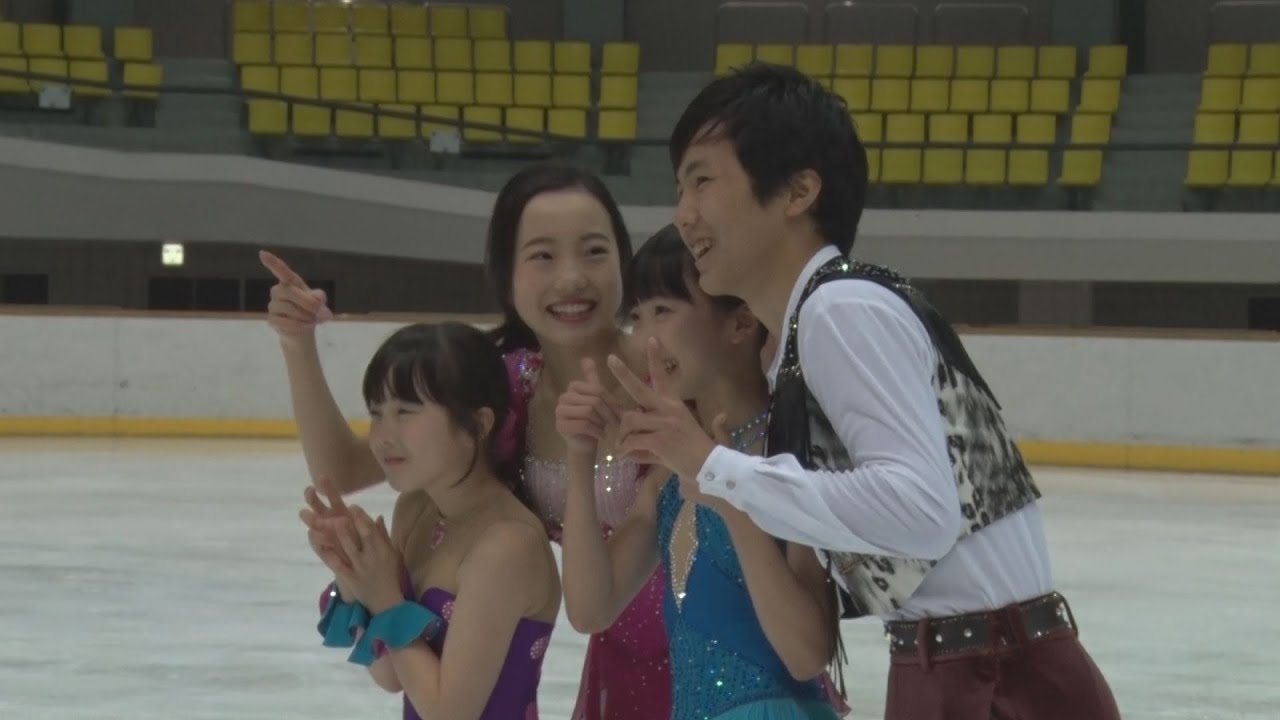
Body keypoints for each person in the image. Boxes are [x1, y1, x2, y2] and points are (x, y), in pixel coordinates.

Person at [606, 62, 1122, 720]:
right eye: (680, 188)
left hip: (993, 678)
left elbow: (921, 512)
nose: (683, 216)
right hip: (974, 663)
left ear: (797, 191)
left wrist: (715, 468)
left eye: (703, 181)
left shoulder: (840, 309)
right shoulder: (817, 326)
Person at [261, 161, 671, 720]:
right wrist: (297, 346)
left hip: (716, 648)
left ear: (623, 261)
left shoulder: (670, 373)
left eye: (595, 251)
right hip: (619, 660)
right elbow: (347, 468)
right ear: (506, 275)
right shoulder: (508, 389)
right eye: (543, 256)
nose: (572, 277)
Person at [558, 226, 846, 720]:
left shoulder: (790, 453)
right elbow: (591, 609)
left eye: (663, 311)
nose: (646, 340)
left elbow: (806, 654)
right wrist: (579, 455)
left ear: (741, 323)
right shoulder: (668, 477)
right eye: (636, 317)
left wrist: (729, 495)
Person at [301, 322, 560, 719]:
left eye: (405, 412)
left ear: (479, 423)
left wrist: (385, 596)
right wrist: (353, 569)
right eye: (376, 413)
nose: (382, 436)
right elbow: (390, 674)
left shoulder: (508, 546)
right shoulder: (416, 510)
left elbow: (449, 713)